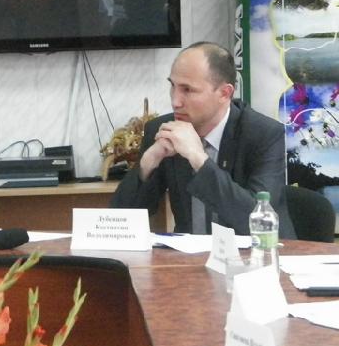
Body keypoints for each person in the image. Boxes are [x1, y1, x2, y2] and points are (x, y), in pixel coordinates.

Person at [110, 42, 297, 238]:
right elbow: (121, 223)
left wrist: (199, 159)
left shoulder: (263, 134)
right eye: (173, 86)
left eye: (187, 90)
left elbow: (256, 220)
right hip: (189, 254)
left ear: (224, 93)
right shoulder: (163, 131)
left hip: (260, 253)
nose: (175, 101)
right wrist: (146, 165)